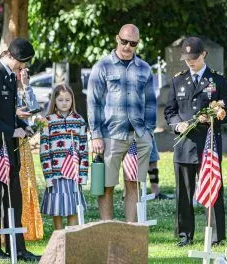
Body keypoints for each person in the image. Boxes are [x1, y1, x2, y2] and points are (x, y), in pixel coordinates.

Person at [164, 36, 227, 247]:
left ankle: (216, 236)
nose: (190, 62)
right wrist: (178, 125)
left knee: (212, 189)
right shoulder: (178, 80)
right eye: (187, 58)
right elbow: (170, 111)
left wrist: (215, 115)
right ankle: (185, 235)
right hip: (185, 144)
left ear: (203, 54)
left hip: (209, 144)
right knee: (184, 193)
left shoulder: (218, 80)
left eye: (194, 57)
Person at [0, 37, 40, 261]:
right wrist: (12, 132)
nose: (24, 68)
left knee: (13, 199)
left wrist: (23, 127)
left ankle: (16, 248)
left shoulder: (11, 78)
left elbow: (9, 114)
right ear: (11, 57)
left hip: (8, 150)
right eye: (22, 62)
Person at [87, 24, 156, 222]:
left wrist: (149, 133)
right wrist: (96, 135)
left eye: (132, 43)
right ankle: (108, 227)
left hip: (138, 136)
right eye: (124, 41)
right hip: (111, 135)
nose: (127, 46)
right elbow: (94, 103)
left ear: (137, 43)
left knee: (133, 183)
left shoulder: (144, 69)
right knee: (106, 186)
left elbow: (151, 102)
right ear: (117, 38)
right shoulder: (102, 67)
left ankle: (130, 230)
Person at [39, 84, 88, 230]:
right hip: (55, 173)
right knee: (57, 207)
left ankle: (71, 236)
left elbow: (84, 150)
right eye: (60, 100)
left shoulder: (79, 121)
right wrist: (48, 176)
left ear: (72, 100)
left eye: (68, 99)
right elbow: (44, 151)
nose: (64, 103)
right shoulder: (48, 121)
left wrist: (82, 175)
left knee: (72, 205)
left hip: (73, 174)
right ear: (55, 101)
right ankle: (58, 236)